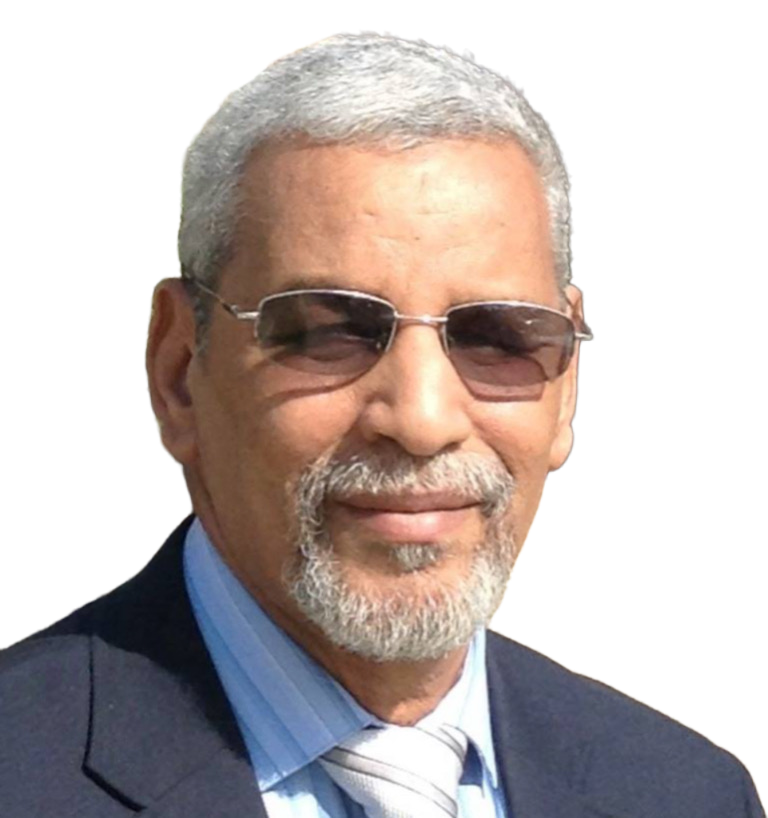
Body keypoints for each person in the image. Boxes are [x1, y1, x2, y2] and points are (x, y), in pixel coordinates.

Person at [1, 31, 763, 818]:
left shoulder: (687, 794)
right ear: (178, 372)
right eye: (328, 331)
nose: (422, 420)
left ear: (565, 382)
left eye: (498, 337)